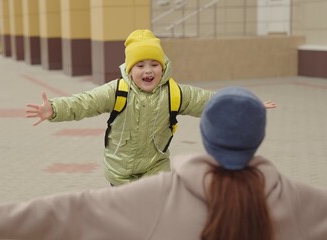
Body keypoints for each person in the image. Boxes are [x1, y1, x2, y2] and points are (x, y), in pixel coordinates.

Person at [0, 86, 327, 240]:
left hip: (141, 174)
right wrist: (57, 111)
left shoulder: (161, 196)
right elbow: (88, 102)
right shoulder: (300, 202)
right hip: (126, 166)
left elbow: (74, 212)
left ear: (206, 137)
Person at [25, 29, 277, 186]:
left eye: (154, 64)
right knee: (127, 221)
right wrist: (55, 109)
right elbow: (85, 102)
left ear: (163, 66)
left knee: (154, 217)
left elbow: (208, 101)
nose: (148, 70)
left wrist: (247, 105)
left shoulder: (175, 93)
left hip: (156, 168)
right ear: (130, 69)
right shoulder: (117, 90)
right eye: (141, 65)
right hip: (119, 171)